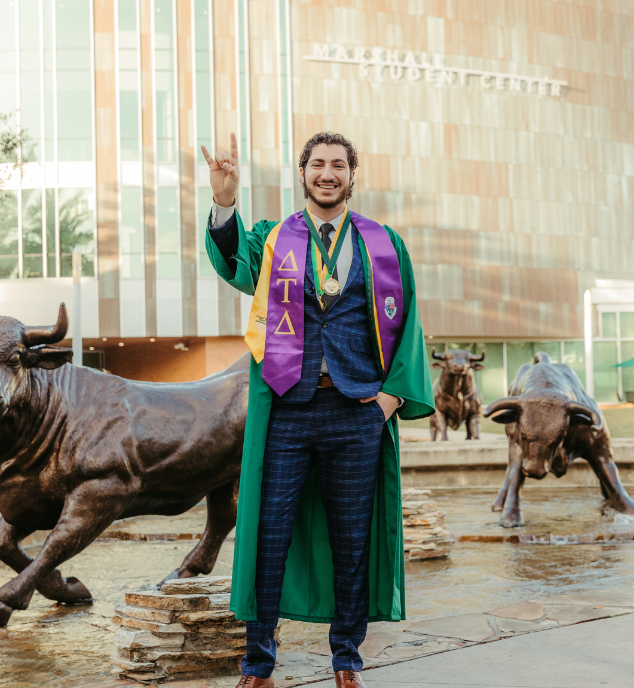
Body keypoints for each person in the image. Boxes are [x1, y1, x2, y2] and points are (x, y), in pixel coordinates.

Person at [201, 131, 434, 688]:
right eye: (317, 165)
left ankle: (346, 659)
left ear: (353, 175)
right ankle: (258, 664)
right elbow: (234, 263)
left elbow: (408, 327)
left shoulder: (383, 243)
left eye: (338, 165)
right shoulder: (276, 238)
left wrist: (388, 400)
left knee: (352, 539)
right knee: (268, 533)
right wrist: (225, 201)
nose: (327, 174)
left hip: (356, 410)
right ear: (302, 174)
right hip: (288, 407)